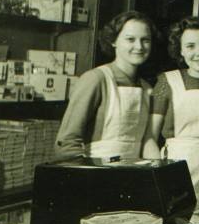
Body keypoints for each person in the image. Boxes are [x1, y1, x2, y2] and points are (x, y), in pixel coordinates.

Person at [142, 17, 199, 189]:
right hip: (175, 172)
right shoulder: (167, 82)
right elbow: (149, 139)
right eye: (190, 46)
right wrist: (159, 175)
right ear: (181, 51)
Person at [55, 11, 157, 159]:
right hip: (95, 175)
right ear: (113, 41)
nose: (139, 46)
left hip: (133, 174)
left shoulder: (147, 89)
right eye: (130, 39)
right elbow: (67, 143)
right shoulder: (95, 79)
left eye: (145, 40)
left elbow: (147, 141)